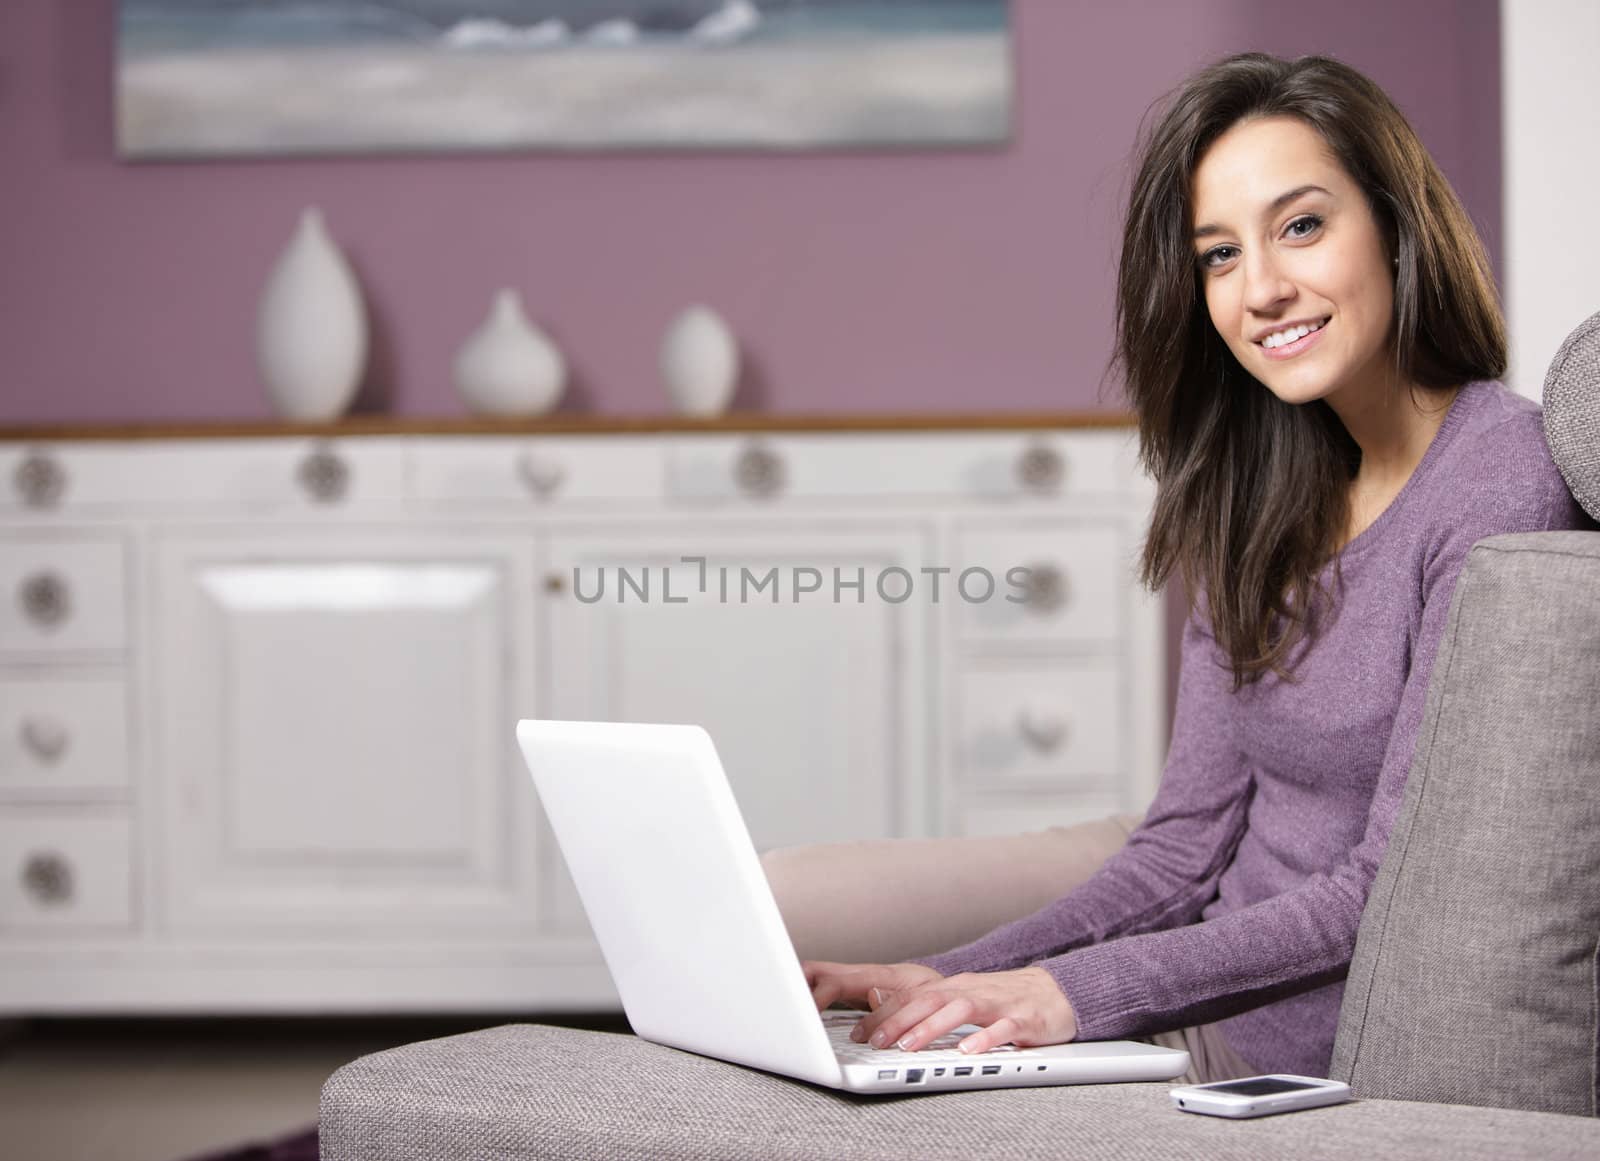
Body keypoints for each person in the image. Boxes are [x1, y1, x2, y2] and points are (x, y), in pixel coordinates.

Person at [768, 51, 1593, 1086]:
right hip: (1168, 1011)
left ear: (1394, 225)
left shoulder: (1497, 480)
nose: (1261, 290)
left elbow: (1394, 879)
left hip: (1261, 1053)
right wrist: (935, 976)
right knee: (804, 980)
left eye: (1301, 226)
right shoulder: (1259, 489)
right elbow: (1182, 846)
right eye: (1217, 256)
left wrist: (1073, 995)